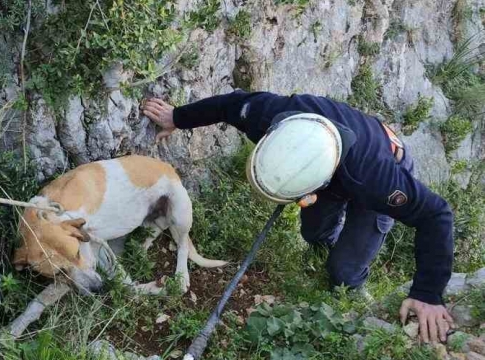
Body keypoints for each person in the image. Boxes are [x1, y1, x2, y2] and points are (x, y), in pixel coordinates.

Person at [141, 89, 455, 344]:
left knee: (342, 271)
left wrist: (427, 293)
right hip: (332, 166)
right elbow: (229, 104)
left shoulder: (379, 180)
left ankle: (354, 287)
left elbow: (436, 215)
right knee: (314, 234)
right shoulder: (268, 114)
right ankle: (331, 244)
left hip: (377, 166)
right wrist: (177, 117)